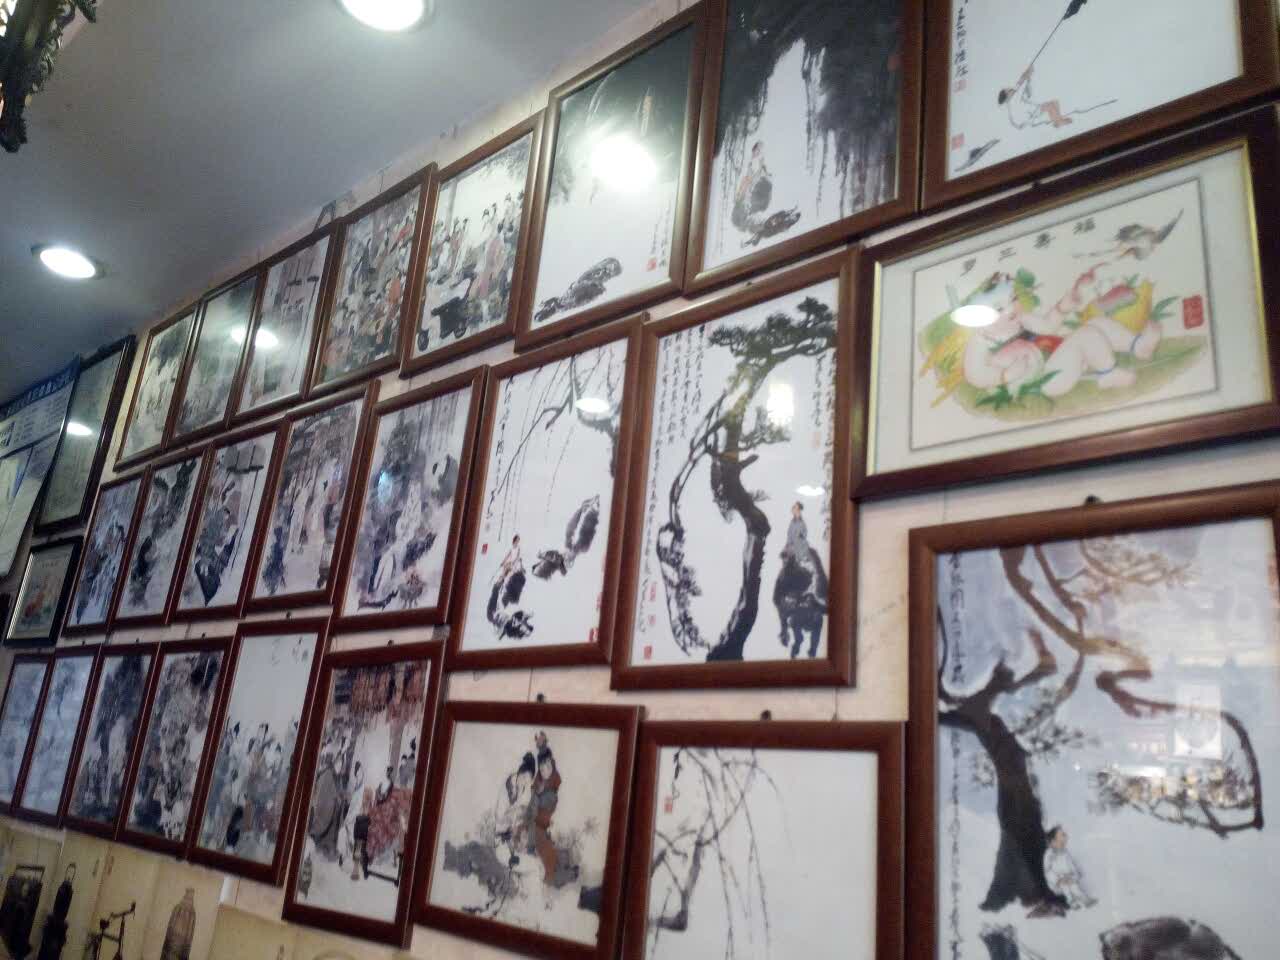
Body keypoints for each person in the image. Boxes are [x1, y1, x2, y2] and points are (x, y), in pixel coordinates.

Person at [1043, 826, 1096, 909]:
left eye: (1064, 835)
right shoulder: (1049, 854)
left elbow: (1072, 865)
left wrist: (1074, 876)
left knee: (1074, 886)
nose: (1066, 837)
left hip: (1068, 876)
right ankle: (1072, 902)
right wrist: (1057, 880)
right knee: (1066, 889)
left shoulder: (1065, 852)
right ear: (1053, 842)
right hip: (1058, 880)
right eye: (1062, 835)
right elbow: (1047, 870)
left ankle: (1085, 900)